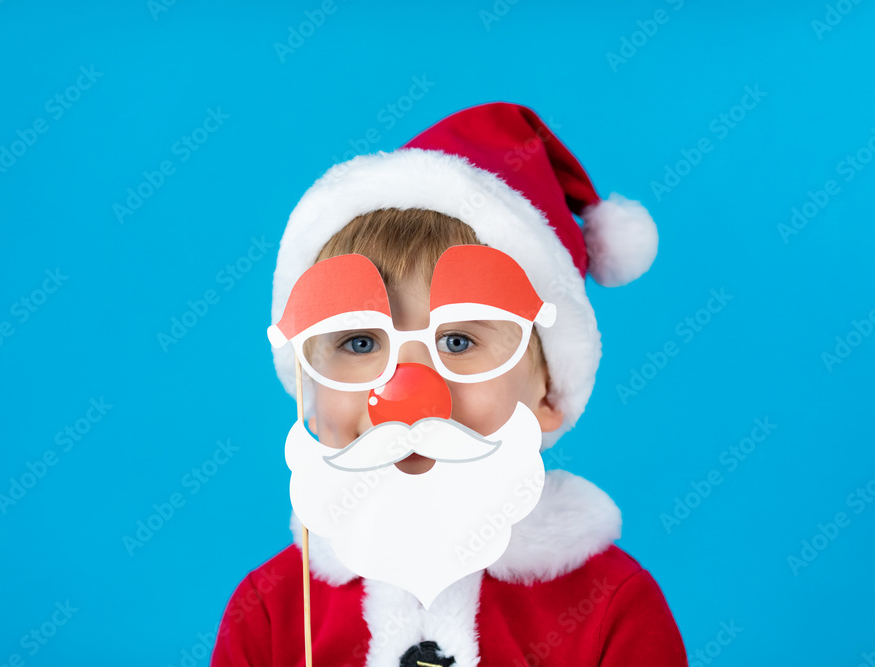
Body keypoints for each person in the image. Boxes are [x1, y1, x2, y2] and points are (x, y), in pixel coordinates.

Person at [211, 102, 687, 666]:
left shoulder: (612, 606)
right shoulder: (272, 610)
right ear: (310, 391)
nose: (407, 393)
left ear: (549, 395)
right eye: (360, 344)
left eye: (458, 342)